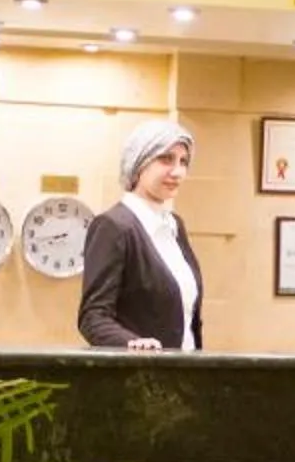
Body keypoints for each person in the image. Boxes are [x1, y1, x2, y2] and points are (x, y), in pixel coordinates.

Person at [77, 120, 203, 350]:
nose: (177, 172)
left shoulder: (175, 225)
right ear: (139, 164)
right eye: (165, 159)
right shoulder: (113, 226)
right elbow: (93, 318)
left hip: (184, 373)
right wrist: (132, 343)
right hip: (139, 376)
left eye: (183, 161)